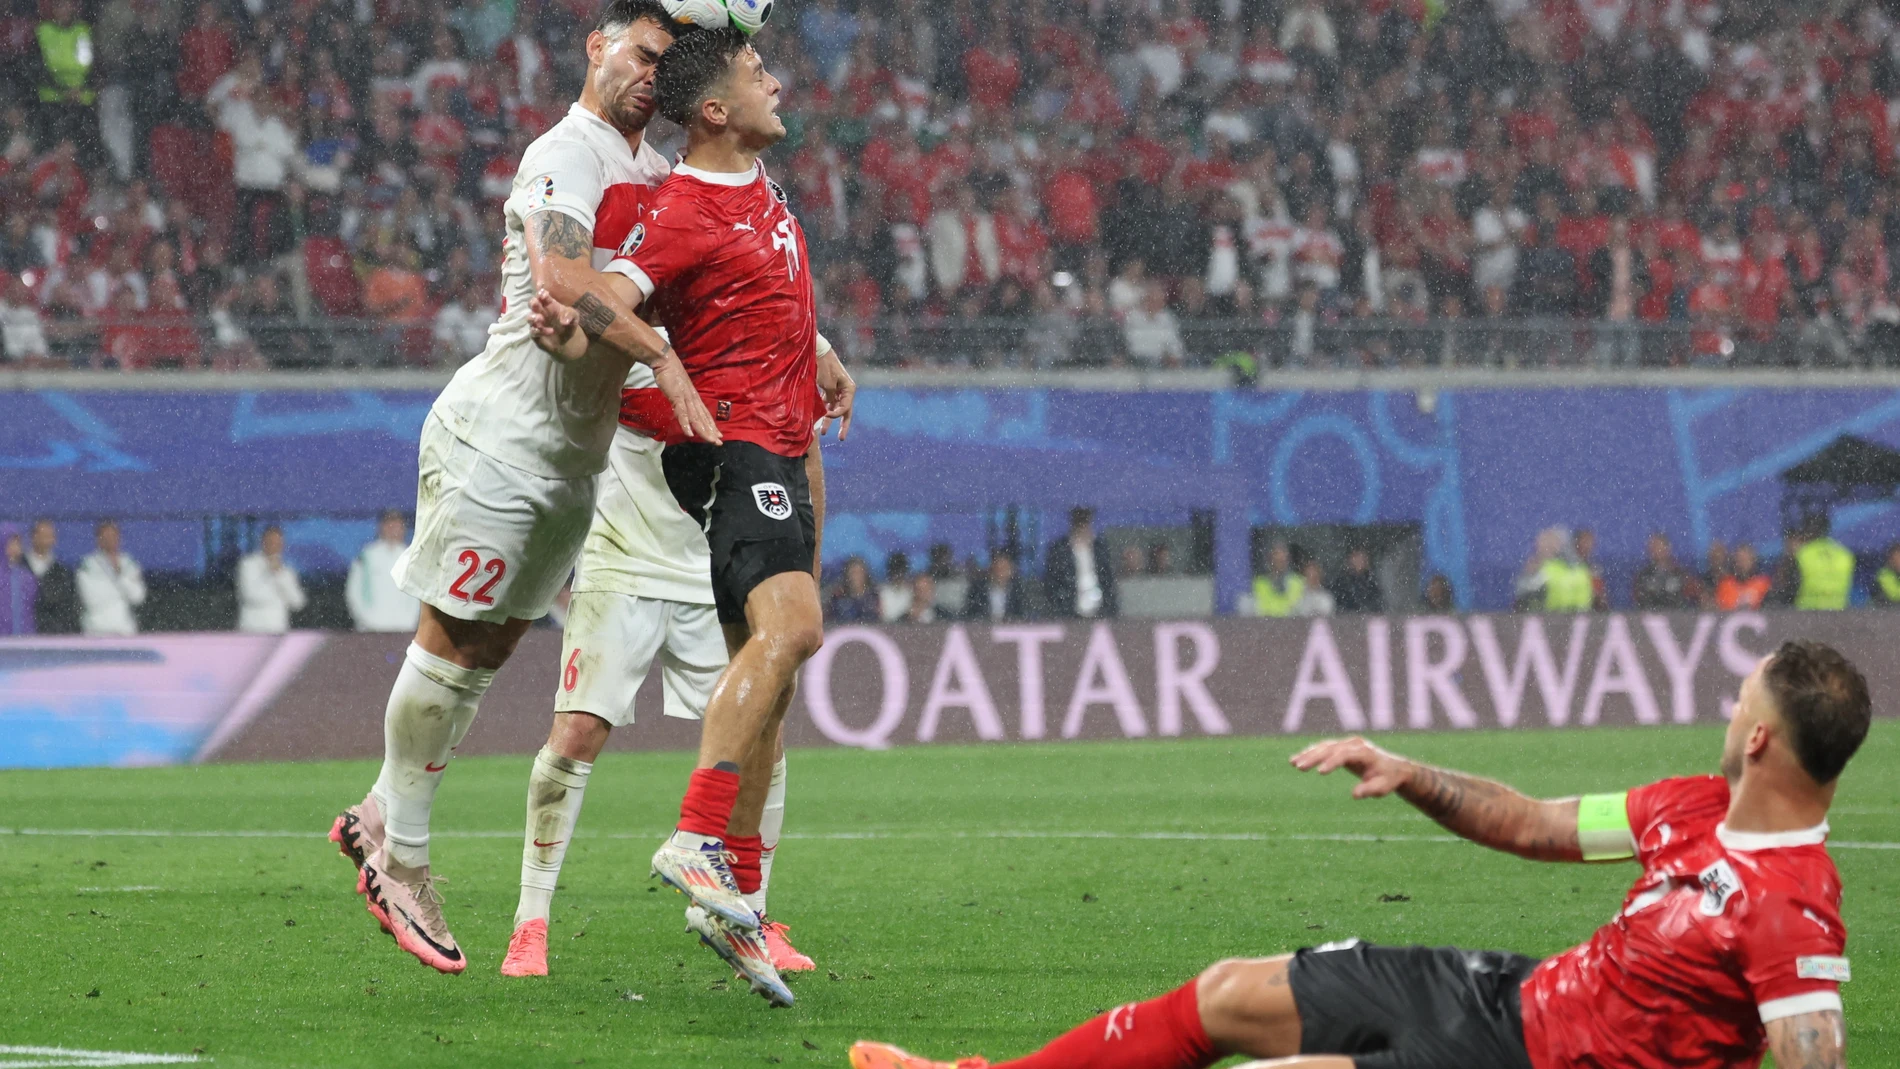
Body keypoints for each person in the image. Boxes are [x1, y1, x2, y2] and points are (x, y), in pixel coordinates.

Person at [854, 639, 1869, 1069]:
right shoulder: (1692, 806)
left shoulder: (1793, 908)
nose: (1724, 704)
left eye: (1739, 697)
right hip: (1511, 999)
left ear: (1758, 738)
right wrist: (1412, 773)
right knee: (1228, 993)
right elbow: (1532, 824)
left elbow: (1811, 1050)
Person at [327, 0, 718, 978]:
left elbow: (686, 285)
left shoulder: (657, 175)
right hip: (500, 442)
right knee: (451, 637)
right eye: (641, 54)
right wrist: (657, 355)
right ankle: (401, 856)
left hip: (571, 464)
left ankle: (381, 811)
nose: (651, 77)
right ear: (597, 46)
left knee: (488, 649)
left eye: (667, 67)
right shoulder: (566, 153)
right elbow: (562, 273)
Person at [525, 26, 856, 1007]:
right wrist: (577, 329)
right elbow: (601, 293)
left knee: (772, 684)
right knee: (793, 630)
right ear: (715, 111)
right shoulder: (682, 210)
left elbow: (768, 293)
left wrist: (820, 351)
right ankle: (698, 833)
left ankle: (738, 900)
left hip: (785, 442)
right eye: (756, 73)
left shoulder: (753, 185)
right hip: (736, 449)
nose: (775, 81)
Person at [501, 413, 817, 980]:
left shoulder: (772, 357)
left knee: (761, 730)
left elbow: (802, 446)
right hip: (620, 552)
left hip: (716, 555)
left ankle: (754, 915)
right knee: (578, 729)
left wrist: (803, 568)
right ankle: (531, 922)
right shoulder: (630, 348)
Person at [345, 511, 423, 633]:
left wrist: (411, 621)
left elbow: (420, 594)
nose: (393, 530)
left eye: (397, 525)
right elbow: (353, 592)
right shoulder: (367, 555)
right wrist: (366, 620)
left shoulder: (412, 557)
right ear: (381, 527)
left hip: (405, 628)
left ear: (403, 529)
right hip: (371, 629)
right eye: (389, 525)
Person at [1044, 507, 1118, 619]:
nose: (1082, 527)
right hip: (1069, 612)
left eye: (1085, 522)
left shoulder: (1100, 548)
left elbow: (1108, 580)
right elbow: (1053, 583)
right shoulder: (1060, 550)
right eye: (1079, 523)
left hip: (1100, 611)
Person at [76, 520, 145, 636]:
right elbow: (91, 600)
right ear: (98, 539)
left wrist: (119, 574)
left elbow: (138, 597)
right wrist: (122, 593)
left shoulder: (128, 563)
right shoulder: (88, 564)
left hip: (125, 630)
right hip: (95, 630)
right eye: (105, 536)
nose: (109, 540)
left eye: (113, 536)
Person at [235, 525, 308, 634]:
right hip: (251, 629)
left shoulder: (286, 571)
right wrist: (281, 596)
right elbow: (250, 595)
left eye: (277, 542)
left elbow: (298, 602)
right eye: (270, 541)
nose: (273, 545)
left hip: (278, 629)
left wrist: (279, 574)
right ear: (262, 542)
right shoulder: (248, 564)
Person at [23, 519, 77, 634]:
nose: (45, 539)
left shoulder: (62, 572)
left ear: (54, 539)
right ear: (32, 536)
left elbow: (69, 608)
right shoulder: (19, 566)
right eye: (41, 535)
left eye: (48, 535)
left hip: (53, 635)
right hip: (22, 633)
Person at [1791, 516, 1855, 611]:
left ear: (1807, 531)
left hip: (1807, 611)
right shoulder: (1845, 554)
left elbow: (1789, 587)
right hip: (1839, 610)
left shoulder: (1803, 553)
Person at [1632, 531, 1697, 610]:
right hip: (1650, 615)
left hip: (1677, 615)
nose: (1655, 551)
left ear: (1667, 548)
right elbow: (1638, 599)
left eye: (1658, 547)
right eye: (1652, 547)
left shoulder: (1681, 574)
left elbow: (1696, 595)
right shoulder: (1643, 576)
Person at [963, 551, 1027, 622]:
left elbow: (1022, 615)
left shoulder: (1018, 592)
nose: (1000, 573)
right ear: (991, 570)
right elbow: (970, 614)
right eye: (998, 569)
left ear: (1011, 571)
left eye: (1004, 569)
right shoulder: (977, 590)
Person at [1251, 540, 1302, 618]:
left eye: (1282, 559)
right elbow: (1259, 609)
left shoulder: (1298, 582)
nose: (1280, 561)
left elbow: (1298, 609)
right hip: (1266, 623)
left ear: (1288, 560)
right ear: (1270, 560)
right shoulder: (1259, 583)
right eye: (1277, 559)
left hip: (1291, 623)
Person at [1717, 543, 1774, 612]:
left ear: (1753, 560)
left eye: (1746, 560)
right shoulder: (1726, 584)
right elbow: (1722, 610)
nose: (1743, 564)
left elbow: (1769, 609)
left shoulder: (1763, 584)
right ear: (1735, 561)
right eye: (1740, 560)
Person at [1, 525, 35, 635]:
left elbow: (31, 609)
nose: (16, 547)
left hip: (25, 639)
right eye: (11, 543)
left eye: (18, 543)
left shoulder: (27, 576)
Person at [826, 556, 880, 622]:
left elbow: (877, 619)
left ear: (865, 574)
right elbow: (831, 619)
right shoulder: (839, 596)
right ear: (847, 574)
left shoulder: (873, 596)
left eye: (859, 572)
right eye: (853, 572)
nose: (856, 576)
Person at [1330, 548, 1382, 614]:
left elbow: (1377, 605)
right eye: (1356, 557)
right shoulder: (1341, 583)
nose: (1358, 561)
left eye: (1361, 558)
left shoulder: (1372, 583)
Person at [878, 550, 914, 623]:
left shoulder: (911, 592)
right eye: (895, 572)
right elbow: (884, 617)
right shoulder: (881, 592)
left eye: (901, 572)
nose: (898, 575)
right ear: (890, 572)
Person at [1874, 542, 1900, 608]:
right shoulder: (1883, 575)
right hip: (1886, 610)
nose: (1898, 561)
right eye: (1896, 557)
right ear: (1890, 559)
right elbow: (1893, 595)